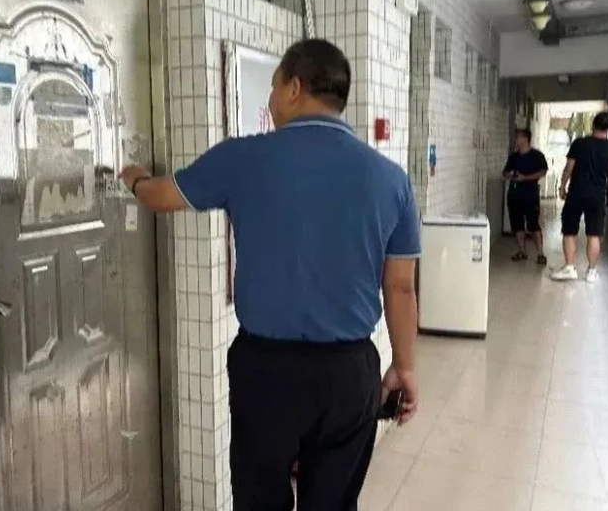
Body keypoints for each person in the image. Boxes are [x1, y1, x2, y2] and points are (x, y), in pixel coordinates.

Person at [120, 39, 421, 511]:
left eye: (275, 86)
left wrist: (134, 177)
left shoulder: (242, 158)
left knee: (260, 499)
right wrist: (404, 367)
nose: (272, 98)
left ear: (294, 88)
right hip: (349, 374)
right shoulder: (391, 178)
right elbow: (400, 287)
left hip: (266, 372)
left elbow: (160, 197)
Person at [551, 111, 608, 283]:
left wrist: (562, 186)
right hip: (597, 196)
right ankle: (592, 272)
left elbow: (569, 168)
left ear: (593, 125)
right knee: (594, 233)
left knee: (569, 230)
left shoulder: (579, 144)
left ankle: (569, 268)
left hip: (576, 194)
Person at [502, 128, 549, 265]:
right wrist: (509, 175)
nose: (515, 140)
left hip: (530, 195)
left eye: (517, 137)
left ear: (524, 139)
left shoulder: (537, 156)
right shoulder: (513, 157)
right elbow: (504, 172)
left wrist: (525, 178)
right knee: (517, 225)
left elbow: (543, 171)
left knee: (533, 225)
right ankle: (522, 252)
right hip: (514, 195)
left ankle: (540, 253)